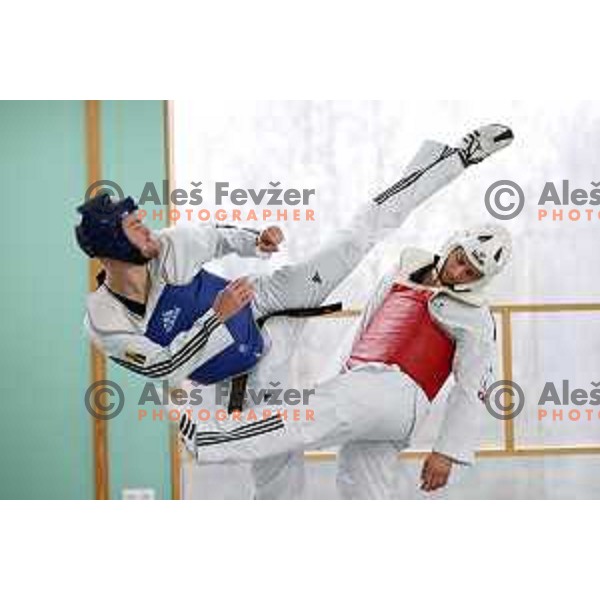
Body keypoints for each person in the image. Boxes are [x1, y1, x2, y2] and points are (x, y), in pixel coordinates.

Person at [76, 123, 513, 499]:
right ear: (113, 246)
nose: (149, 230)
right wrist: (217, 316)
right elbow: (162, 366)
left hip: (266, 301)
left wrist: (254, 240)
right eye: (135, 228)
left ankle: (459, 157)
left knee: (354, 238)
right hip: (235, 374)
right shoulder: (105, 320)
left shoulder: (168, 245)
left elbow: (216, 236)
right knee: (278, 469)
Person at [190, 223, 513, 499]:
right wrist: (337, 377)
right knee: (359, 487)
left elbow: (472, 386)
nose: (458, 272)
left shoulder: (476, 317)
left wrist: (447, 451)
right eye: (460, 260)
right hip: (364, 383)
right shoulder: (406, 267)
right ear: (452, 245)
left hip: (400, 392)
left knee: (303, 415)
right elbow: (366, 325)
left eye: (471, 273)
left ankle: (211, 437)